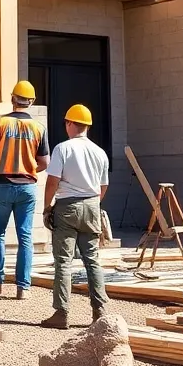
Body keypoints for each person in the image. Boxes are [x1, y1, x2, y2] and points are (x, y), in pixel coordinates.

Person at [0, 80, 49, 299]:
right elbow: (44, 162)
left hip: (2, 185)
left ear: (12, 99)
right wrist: (28, 168)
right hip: (27, 187)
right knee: (25, 236)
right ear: (32, 101)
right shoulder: (38, 128)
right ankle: (22, 287)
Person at [39, 104, 110, 329]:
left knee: (63, 261)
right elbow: (103, 186)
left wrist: (47, 207)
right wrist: (92, 204)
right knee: (92, 260)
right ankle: (99, 312)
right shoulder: (100, 152)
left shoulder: (63, 148)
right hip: (91, 205)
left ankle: (61, 313)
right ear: (87, 126)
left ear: (70, 124)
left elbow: (52, 181)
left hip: (67, 207)